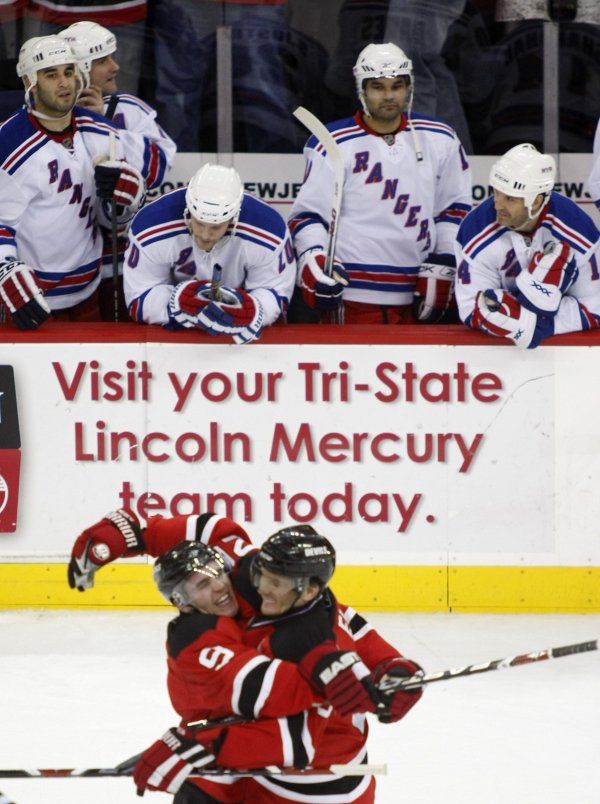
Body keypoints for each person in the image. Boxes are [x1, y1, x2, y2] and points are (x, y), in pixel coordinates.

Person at [68, 511, 424, 803]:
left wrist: (201, 747)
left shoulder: (322, 642)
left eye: (275, 583)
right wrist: (135, 535)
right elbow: (213, 531)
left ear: (310, 589)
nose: (262, 588)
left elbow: (296, 739)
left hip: (317, 788)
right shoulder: (255, 579)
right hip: (255, 764)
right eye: (261, 575)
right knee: (195, 792)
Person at [288, 41, 472, 325]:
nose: (389, 95)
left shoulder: (440, 138)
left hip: (419, 293)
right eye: (377, 87)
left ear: (408, 88)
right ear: (362, 89)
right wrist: (315, 260)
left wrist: (446, 259)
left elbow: (454, 209)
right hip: (351, 293)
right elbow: (308, 216)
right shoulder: (331, 142)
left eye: (397, 86)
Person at [0, 35, 145, 327]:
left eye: (68, 72)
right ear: (30, 83)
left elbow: (111, 220)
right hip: (30, 301)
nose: (64, 83)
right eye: (51, 75)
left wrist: (130, 198)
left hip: (88, 294)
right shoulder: (8, 145)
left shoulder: (101, 132)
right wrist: (4, 269)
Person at [58, 20, 177, 319]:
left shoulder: (127, 109)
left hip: (121, 263)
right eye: (102, 61)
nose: (115, 67)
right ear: (79, 69)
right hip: (60, 266)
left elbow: (158, 163)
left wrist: (102, 125)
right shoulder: (40, 117)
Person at [123, 163, 296, 344]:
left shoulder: (269, 229)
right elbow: (139, 296)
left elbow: (275, 292)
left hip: (239, 342)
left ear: (233, 219)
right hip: (172, 337)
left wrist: (250, 310)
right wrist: (178, 301)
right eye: (199, 223)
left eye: (216, 226)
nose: (205, 235)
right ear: (188, 210)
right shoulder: (150, 225)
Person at [455, 143, 600, 349]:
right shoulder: (474, 231)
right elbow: (472, 308)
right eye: (496, 192)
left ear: (536, 201)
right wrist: (530, 322)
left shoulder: (577, 230)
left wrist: (534, 326)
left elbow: (595, 306)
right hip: (493, 362)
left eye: (510, 198)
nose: (497, 204)